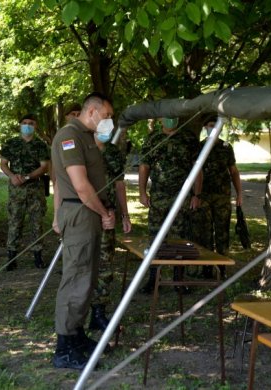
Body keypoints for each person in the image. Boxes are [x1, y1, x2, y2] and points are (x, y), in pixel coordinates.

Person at [51, 92, 116, 369]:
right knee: (76, 278)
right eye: (108, 116)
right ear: (92, 112)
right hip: (80, 212)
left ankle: (76, 335)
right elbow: (79, 185)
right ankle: (64, 347)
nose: (110, 122)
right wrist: (103, 213)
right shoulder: (70, 136)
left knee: (86, 278)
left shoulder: (87, 137)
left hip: (86, 212)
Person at [138, 117, 201, 293]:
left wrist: (197, 194)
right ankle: (153, 279)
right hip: (158, 196)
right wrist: (142, 192)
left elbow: (197, 167)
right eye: (167, 116)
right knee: (155, 236)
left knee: (180, 238)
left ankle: (179, 280)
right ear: (160, 119)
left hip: (182, 197)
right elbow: (144, 167)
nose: (170, 119)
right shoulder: (152, 139)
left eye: (174, 116)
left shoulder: (188, 139)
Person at [88, 118, 132, 331]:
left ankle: (98, 313)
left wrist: (125, 214)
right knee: (82, 263)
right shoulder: (82, 147)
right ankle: (77, 314)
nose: (106, 130)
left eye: (110, 126)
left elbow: (119, 184)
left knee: (105, 264)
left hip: (108, 215)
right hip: (84, 215)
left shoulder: (114, 152)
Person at [0, 114, 51, 270]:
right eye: (25, 123)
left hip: (35, 190)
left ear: (35, 126)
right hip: (16, 191)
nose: (27, 125)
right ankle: (11, 257)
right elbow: (3, 164)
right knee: (15, 222)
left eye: (31, 123)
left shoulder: (40, 145)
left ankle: (38, 256)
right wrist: (12, 176)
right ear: (20, 125)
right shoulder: (11, 143)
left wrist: (27, 177)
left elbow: (44, 166)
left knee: (37, 223)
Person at [198, 117, 242, 278]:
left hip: (222, 197)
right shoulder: (199, 147)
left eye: (216, 125)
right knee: (205, 234)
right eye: (210, 125)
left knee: (222, 233)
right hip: (203, 197)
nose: (214, 128)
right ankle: (207, 268)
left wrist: (239, 193)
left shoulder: (226, 147)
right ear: (205, 127)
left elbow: (234, 171)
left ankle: (222, 268)